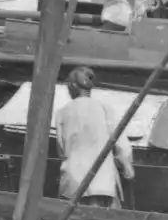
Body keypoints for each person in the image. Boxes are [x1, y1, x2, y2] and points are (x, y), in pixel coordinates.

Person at [54, 67, 135, 209]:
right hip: (103, 181)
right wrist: (127, 166)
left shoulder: (62, 113)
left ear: (73, 86)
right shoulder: (104, 108)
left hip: (74, 181)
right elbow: (121, 143)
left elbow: (61, 151)